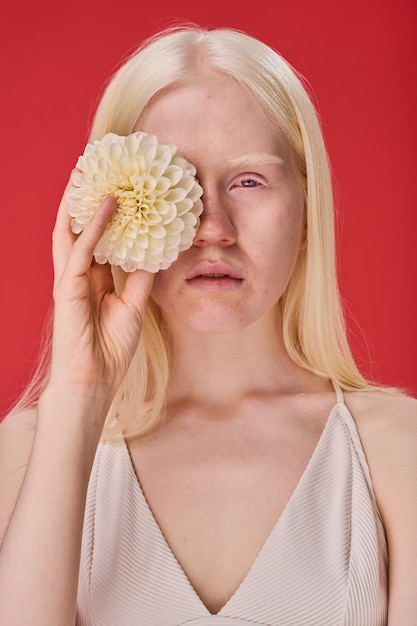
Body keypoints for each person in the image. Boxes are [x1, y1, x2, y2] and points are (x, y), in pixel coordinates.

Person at [0, 23, 416, 626]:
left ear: (305, 207)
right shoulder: (23, 455)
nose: (212, 227)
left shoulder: (398, 451)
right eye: (180, 184)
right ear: (110, 208)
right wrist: (77, 396)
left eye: (248, 181)